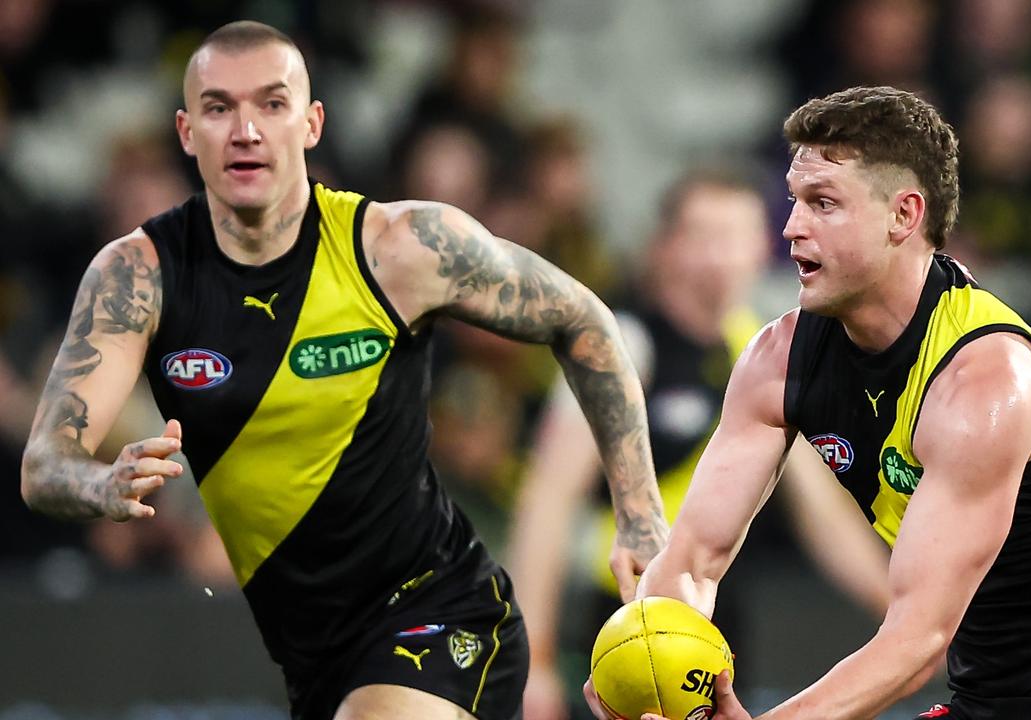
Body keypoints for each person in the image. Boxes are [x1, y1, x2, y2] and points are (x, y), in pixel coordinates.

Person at [19, 21, 668, 720]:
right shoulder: (138, 277)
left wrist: (638, 513)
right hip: (315, 659)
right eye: (218, 108)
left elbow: (585, 321)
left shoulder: (402, 248)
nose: (246, 130)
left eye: (272, 103)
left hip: (442, 609)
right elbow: (46, 464)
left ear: (312, 123)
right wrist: (101, 481)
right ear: (185, 132)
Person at [589, 86, 1031, 720]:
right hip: (989, 695)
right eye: (794, 202)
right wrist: (648, 679)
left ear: (903, 216)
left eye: (823, 203)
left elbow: (918, 642)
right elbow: (692, 564)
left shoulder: (984, 381)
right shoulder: (776, 362)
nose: (790, 227)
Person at [508, 168, 891, 720]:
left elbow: (821, 511)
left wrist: (905, 615)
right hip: (619, 618)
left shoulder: (762, 350)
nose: (723, 257)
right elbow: (547, 499)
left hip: (715, 621)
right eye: (705, 237)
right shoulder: (623, 346)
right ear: (665, 247)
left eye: (738, 237)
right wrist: (534, 658)